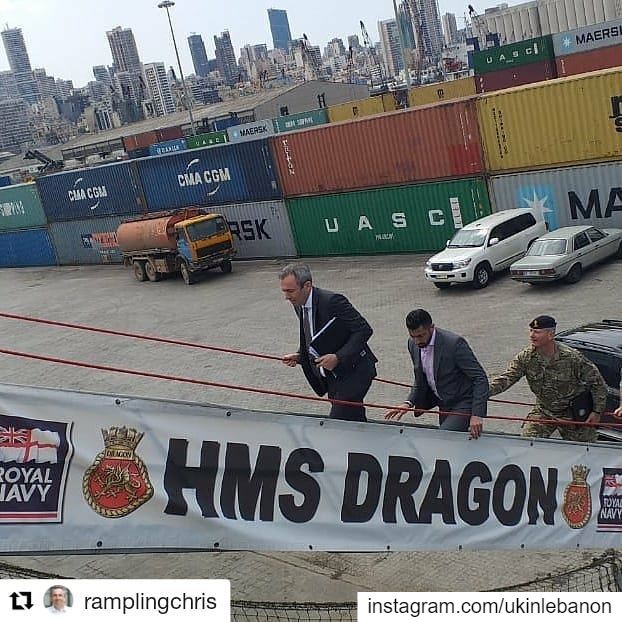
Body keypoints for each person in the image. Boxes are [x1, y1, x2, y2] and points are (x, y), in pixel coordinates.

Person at [280, 263, 377, 422]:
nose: (287, 297)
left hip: (355, 371)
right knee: (353, 422)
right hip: (332, 376)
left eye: (290, 291)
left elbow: (364, 330)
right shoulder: (299, 304)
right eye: (284, 291)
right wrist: (300, 355)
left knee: (338, 422)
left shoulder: (332, 301)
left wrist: (338, 357)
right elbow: (311, 334)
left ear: (307, 286)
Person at [489, 315, 607, 442]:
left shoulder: (572, 358)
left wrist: (597, 412)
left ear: (550, 334)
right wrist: (482, 392)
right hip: (544, 411)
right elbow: (506, 378)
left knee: (585, 451)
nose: (532, 335)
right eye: (531, 331)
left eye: (537, 332)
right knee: (527, 444)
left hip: (572, 413)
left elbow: (598, 384)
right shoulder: (526, 358)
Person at [384, 309, 488, 438]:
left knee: (441, 438)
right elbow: (420, 379)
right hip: (443, 404)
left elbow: (480, 377)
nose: (416, 341)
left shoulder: (454, 344)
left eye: (420, 336)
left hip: (463, 402)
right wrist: (408, 402)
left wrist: (477, 414)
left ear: (432, 327)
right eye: (412, 336)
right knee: (451, 445)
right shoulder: (412, 344)